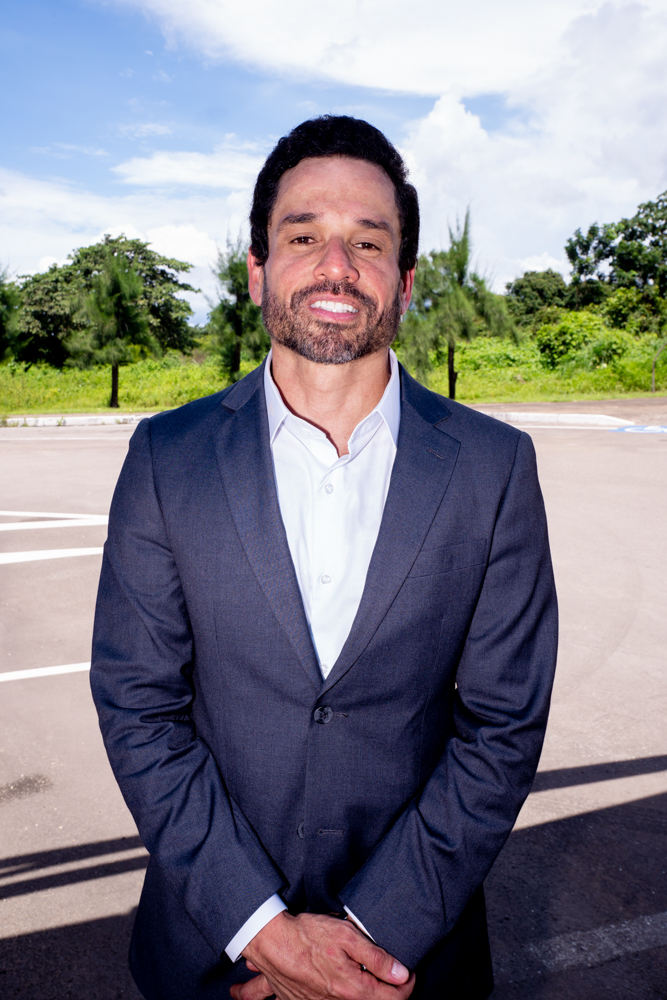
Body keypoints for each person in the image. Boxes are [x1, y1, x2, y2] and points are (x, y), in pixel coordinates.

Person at [91, 115, 558, 1000]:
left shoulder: (494, 467)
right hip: (215, 951)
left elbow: (502, 725)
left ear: (405, 281)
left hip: (408, 960)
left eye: (367, 242)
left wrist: (372, 937)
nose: (336, 265)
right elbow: (138, 706)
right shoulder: (165, 457)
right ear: (257, 268)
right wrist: (262, 930)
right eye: (303, 236)